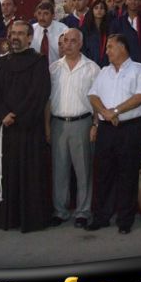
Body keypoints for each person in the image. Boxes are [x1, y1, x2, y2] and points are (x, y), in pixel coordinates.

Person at [87, 34, 141, 234]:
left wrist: (115, 111)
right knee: (103, 173)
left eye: (110, 47)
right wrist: (105, 113)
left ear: (123, 48)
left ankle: (125, 220)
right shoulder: (104, 72)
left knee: (128, 174)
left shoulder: (139, 69)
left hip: (131, 128)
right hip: (107, 129)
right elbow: (92, 95)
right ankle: (101, 217)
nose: (106, 51)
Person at [0, 20, 52, 232]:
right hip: (7, 129)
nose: (15, 37)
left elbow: (39, 94)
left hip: (29, 128)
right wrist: (3, 115)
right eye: (12, 33)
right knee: (8, 173)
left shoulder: (39, 62)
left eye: (20, 33)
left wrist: (15, 116)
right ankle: (8, 217)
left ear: (29, 37)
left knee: (30, 174)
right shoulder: (2, 63)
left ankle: (30, 218)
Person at [47, 28, 100, 228]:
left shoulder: (92, 68)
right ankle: (60, 211)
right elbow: (47, 101)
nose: (67, 45)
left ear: (80, 44)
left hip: (82, 123)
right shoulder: (53, 68)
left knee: (83, 170)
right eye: (65, 41)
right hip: (58, 123)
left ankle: (83, 212)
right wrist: (47, 127)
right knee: (59, 170)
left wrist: (95, 124)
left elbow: (97, 100)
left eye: (72, 41)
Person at [31, 0, 69, 66]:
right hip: (35, 69)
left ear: (53, 15)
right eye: (39, 13)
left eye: (46, 14)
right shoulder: (31, 30)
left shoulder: (63, 29)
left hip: (58, 68)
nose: (41, 17)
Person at [81, 0, 111, 67]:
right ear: (92, 10)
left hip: (107, 66)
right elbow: (83, 49)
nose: (99, 10)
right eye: (96, 8)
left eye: (102, 8)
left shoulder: (109, 29)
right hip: (89, 65)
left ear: (105, 11)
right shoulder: (85, 29)